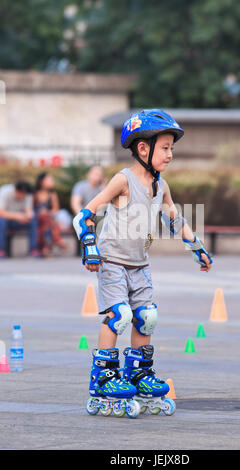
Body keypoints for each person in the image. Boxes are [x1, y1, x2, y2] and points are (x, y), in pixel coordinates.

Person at [73, 109, 213, 417]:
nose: (170, 154)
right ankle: (104, 377)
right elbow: (85, 214)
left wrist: (196, 247)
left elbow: (174, 219)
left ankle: (137, 373)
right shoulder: (122, 180)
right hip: (111, 262)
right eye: (165, 148)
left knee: (146, 317)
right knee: (119, 315)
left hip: (140, 264)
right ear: (143, 148)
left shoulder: (160, 186)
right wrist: (89, 246)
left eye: (171, 148)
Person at [0, 180, 39, 258]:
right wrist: (18, 216)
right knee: (1, 222)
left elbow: (29, 210)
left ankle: (33, 249)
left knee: (33, 221)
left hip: (19, 220)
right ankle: (1, 250)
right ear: (16, 190)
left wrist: (28, 216)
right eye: (21, 193)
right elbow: (1, 212)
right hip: (6, 219)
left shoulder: (28, 195)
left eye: (24, 194)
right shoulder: (5, 192)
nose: (23, 196)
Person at [34, 172, 67, 257]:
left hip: (48, 219)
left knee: (47, 222)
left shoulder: (52, 194)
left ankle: (45, 249)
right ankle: (57, 240)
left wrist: (47, 212)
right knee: (48, 222)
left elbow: (55, 209)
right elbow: (31, 209)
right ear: (42, 181)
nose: (52, 182)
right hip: (38, 219)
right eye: (49, 180)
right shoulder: (35, 194)